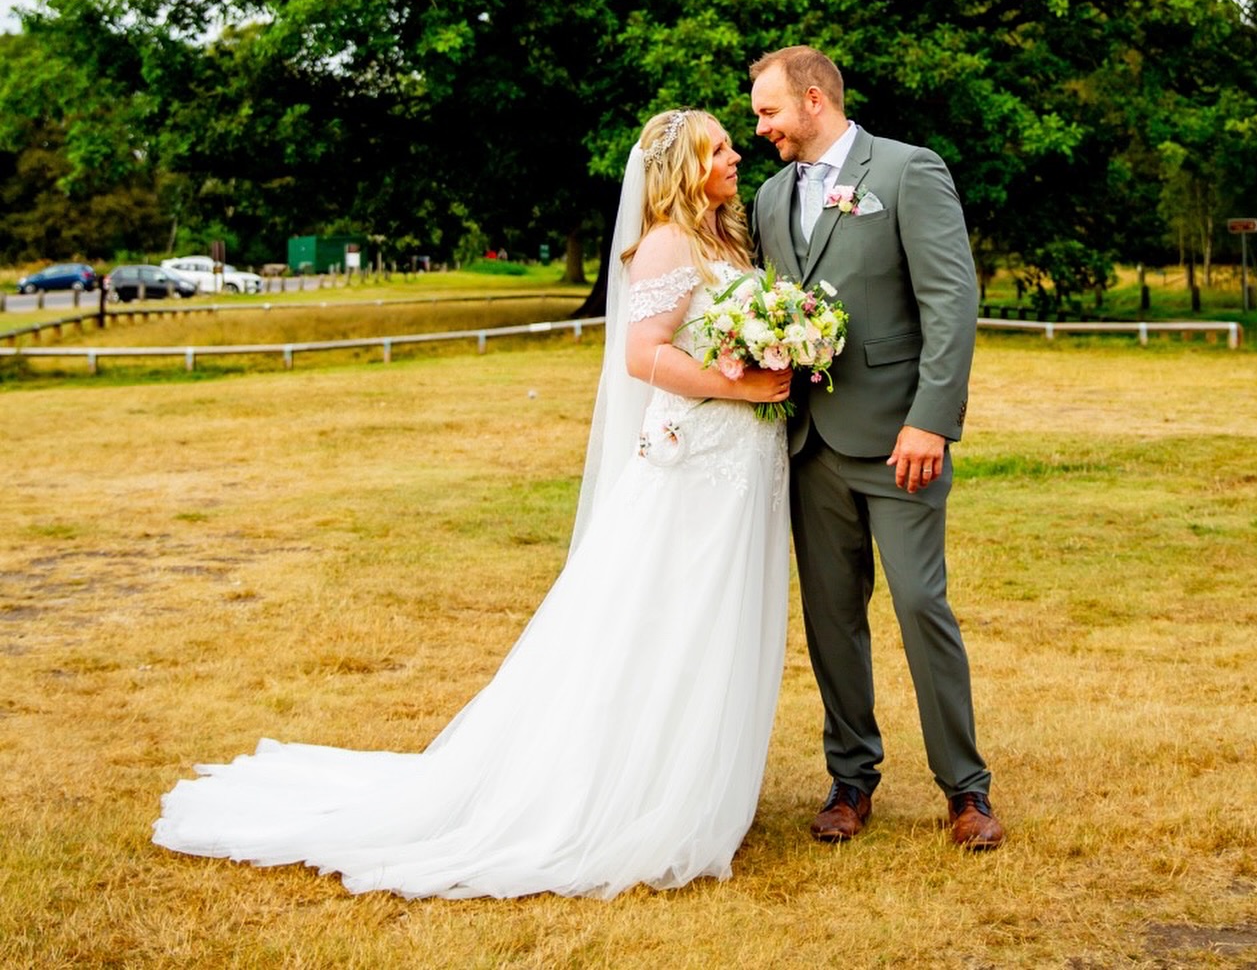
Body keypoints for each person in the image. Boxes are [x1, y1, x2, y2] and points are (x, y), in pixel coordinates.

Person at [153, 110, 793, 899]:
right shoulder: (665, 242)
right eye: (721, 147)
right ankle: (635, 793)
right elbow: (640, 355)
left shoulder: (725, 241)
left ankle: (695, 781)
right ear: (686, 167)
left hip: (735, 466)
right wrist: (742, 383)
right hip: (695, 466)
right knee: (673, 619)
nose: (736, 155)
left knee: (717, 619)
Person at [748, 46, 1004, 850]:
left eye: (769, 113)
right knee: (831, 620)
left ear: (815, 100)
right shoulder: (765, 199)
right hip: (809, 444)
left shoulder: (906, 172)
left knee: (922, 606)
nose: (761, 129)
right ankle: (850, 780)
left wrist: (931, 418)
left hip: (901, 441)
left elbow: (950, 299)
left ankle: (966, 790)